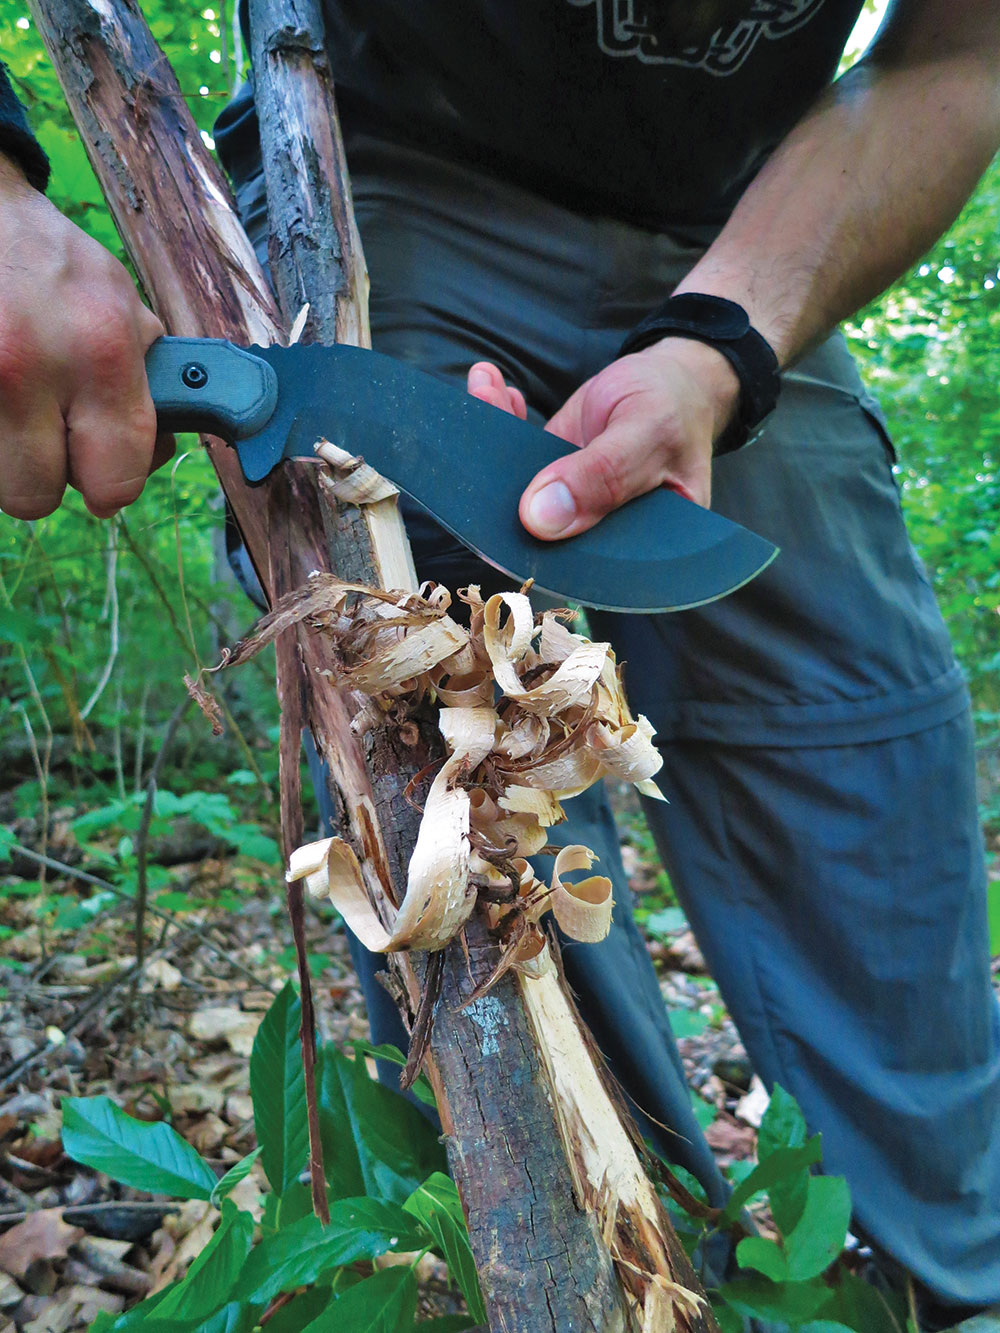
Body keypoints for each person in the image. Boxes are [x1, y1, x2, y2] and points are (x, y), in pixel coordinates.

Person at [2, 1, 999, 1324]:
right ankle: (614, 1280)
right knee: (437, 740)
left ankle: (953, 1283)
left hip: (766, 206)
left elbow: (962, 54)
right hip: (382, 169)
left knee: (863, 762)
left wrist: (724, 342)